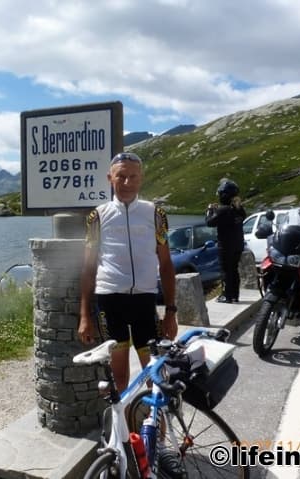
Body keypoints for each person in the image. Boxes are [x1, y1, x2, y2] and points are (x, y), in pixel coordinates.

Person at [78, 151, 178, 393]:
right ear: (109, 178)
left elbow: (165, 264)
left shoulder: (155, 214)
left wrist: (170, 312)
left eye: (133, 176)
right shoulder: (97, 216)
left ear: (141, 178)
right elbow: (88, 267)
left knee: (156, 378)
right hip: (110, 301)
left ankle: (155, 429)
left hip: (144, 301)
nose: (127, 183)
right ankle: (122, 428)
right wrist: (84, 316)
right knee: (120, 379)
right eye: (120, 176)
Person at [206, 179, 246, 303]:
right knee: (234, 269)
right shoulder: (239, 210)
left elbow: (209, 222)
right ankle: (235, 295)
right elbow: (241, 216)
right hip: (238, 244)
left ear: (223, 195)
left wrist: (210, 210)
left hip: (226, 245)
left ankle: (226, 295)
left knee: (226, 271)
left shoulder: (223, 210)